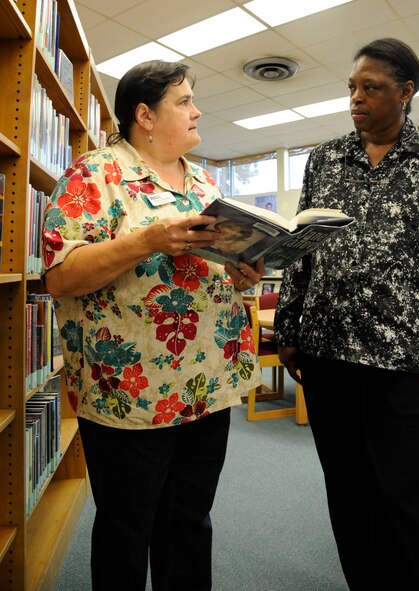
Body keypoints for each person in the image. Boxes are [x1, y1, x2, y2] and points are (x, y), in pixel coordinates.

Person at [42, 60, 264, 591]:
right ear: (144, 114)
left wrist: (243, 273)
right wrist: (144, 241)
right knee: (127, 529)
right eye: (184, 101)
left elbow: (213, 276)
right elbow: (61, 277)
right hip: (131, 395)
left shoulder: (205, 181)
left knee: (190, 522)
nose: (197, 110)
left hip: (208, 384)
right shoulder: (94, 176)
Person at [274, 38, 419, 591]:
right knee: (346, 488)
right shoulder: (325, 158)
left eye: (372, 88)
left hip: (409, 362)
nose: (356, 99)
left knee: (402, 500)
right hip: (329, 355)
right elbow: (301, 250)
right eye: (352, 88)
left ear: (406, 92)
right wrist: (288, 327)